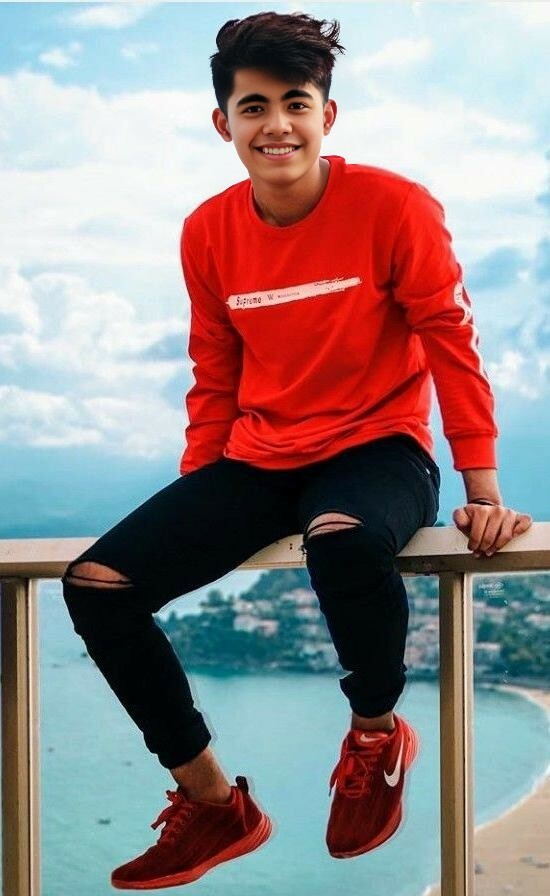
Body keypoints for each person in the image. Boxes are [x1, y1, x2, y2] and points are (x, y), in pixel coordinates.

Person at [61, 10, 532, 891]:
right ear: (223, 123)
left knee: (342, 541)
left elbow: (450, 343)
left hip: (380, 450)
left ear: (327, 115)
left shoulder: (394, 205)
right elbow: (214, 372)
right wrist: (197, 506)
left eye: (295, 103)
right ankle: (211, 803)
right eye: (254, 107)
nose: (275, 124)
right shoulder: (207, 231)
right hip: (259, 457)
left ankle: (376, 738)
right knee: (95, 586)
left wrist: (483, 489)